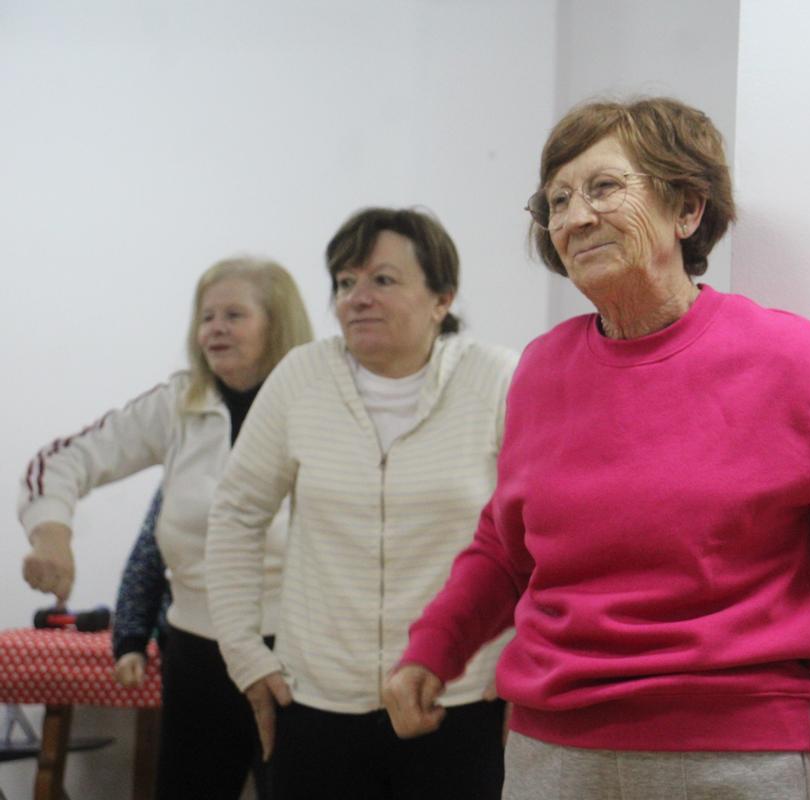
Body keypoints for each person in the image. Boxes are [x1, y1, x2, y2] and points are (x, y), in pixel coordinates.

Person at [385, 97, 810, 800]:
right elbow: (507, 548)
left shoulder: (794, 366)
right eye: (557, 201)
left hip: (731, 765)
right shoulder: (541, 372)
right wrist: (435, 647)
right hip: (550, 757)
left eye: (603, 188)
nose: (574, 219)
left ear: (687, 209)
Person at [205, 207, 519, 800]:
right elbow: (237, 513)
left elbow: (544, 532)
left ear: (441, 298)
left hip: (458, 696)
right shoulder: (303, 377)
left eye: (383, 280)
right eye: (345, 283)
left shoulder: (496, 379)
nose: (357, 298)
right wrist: (247, 656)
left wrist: (520, 653)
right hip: (316, 701)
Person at [19, 257, 313, 800]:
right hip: (197, 655)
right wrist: (51, 533)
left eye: (234, 314)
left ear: (278, 324)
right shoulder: (179, 404)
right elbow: (61, 460)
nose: (215, 329)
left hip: (298, 654)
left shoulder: (318, 406)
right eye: (206, 316)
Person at [112, 486, 171, 688]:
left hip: (264, 641)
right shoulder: (181, 471)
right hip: (185, 645)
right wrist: (131, 643)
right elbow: (146, 560)